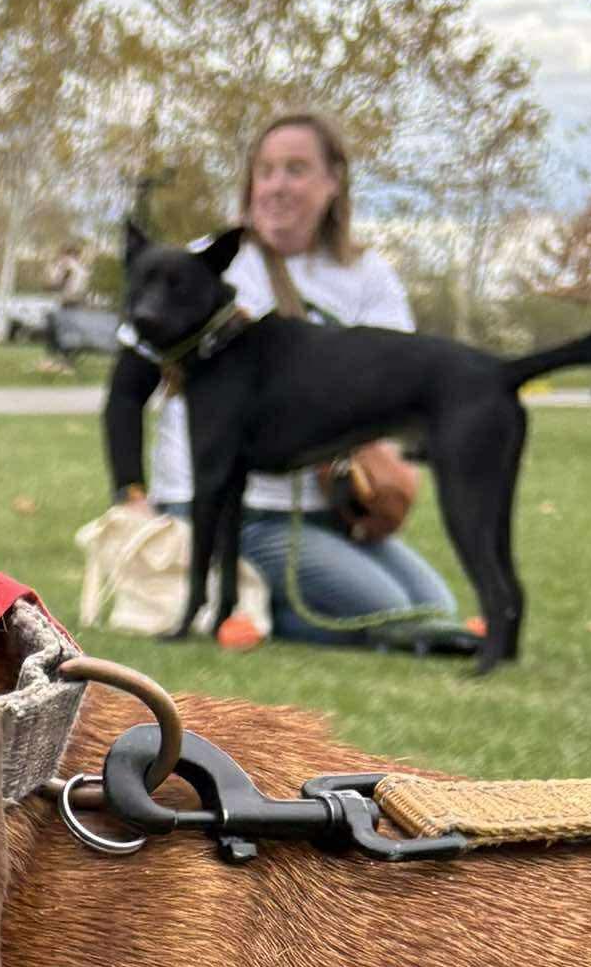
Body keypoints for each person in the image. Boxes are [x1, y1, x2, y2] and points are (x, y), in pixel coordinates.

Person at [102, 108, 458, 647]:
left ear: (333, 182)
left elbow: (391, 389)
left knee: (433, 607)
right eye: (265, 170)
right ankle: (238, 609)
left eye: (295, 169)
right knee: (390, 614)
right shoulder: (203, 264)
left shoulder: (368, 276)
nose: (276, 186)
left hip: (326, 505)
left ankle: (251, 602)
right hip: (232, 507)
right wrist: (131, 493)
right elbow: (127, 392)